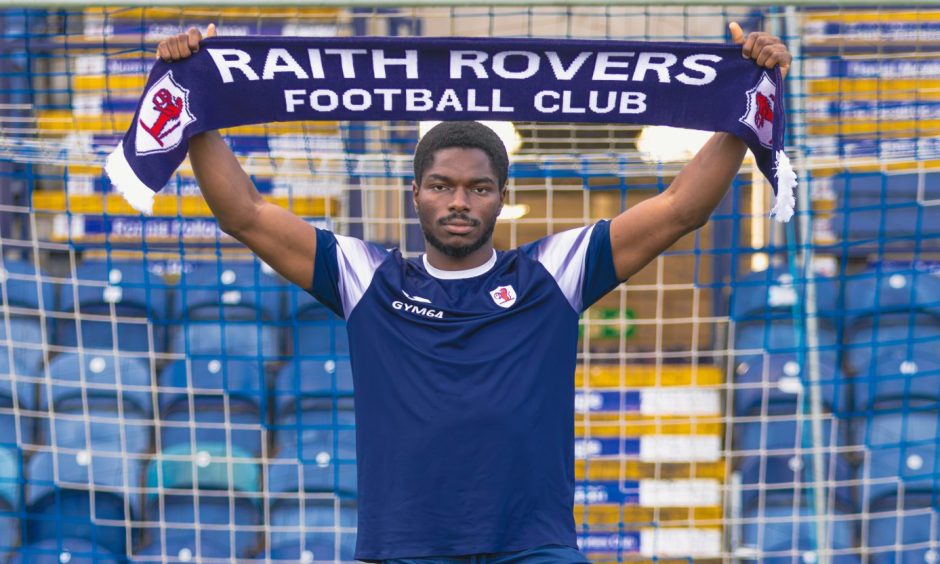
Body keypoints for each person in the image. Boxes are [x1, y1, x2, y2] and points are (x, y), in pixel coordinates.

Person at [157, 22, 791, 564]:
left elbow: (681, 208)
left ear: (502, 198)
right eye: (440, 185)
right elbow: (242, 211)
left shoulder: (553, 272)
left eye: (478, 188)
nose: (458, 201)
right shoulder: (367, 278)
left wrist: (742, 106)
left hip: (534, 545)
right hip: (405, 544)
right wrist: (192, 97)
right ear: (416, 195)